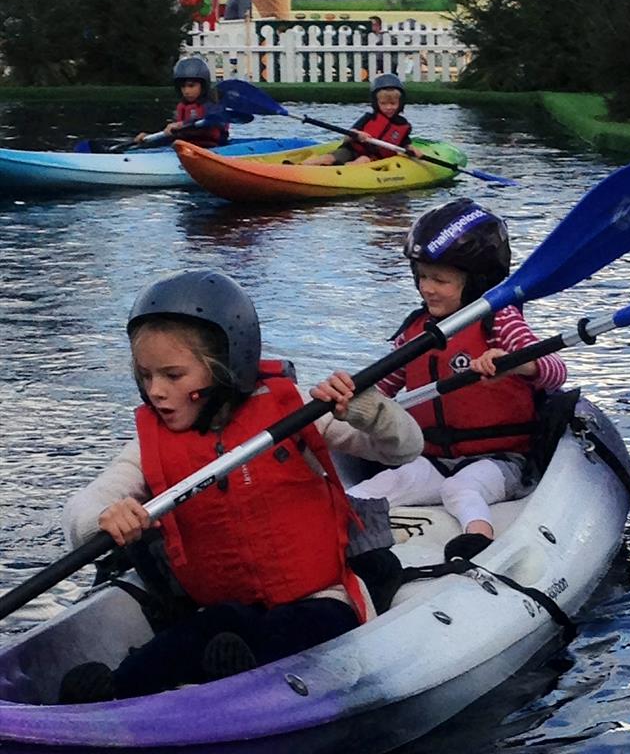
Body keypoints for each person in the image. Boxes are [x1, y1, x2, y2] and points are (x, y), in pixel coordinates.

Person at [58, 269, 423, 704]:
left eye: (173, 376)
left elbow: (404, 448)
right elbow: (89, 501)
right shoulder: (149, 444)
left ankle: (242, 673)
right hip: (224, 607)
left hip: (318, 597)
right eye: (146, 375)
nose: (155, 391)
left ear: (225, 368)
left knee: (305, 625)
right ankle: (116, 688)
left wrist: (369, 412)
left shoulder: (296, 413)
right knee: (198, 633)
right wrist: (102, 517)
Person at [315, 199, 568, 563]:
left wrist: (515, 365)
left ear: (476, 281)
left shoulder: (500, 320)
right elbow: (383, 391)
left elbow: (556, 370)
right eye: (421, 276)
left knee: (461, 488)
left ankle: (478, 541)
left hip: (501, 461)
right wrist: (347, 402)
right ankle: (333, 545)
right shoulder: (416, 333)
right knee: (375, 488)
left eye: (440, 279)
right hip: (430, 458)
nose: (426, 288)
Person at [302, 73, 423, 166]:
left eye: (393, 103)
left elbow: (405, 144)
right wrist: (358, 134)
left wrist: (411, 149)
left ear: (400, 103)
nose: (389, 107)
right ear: (377, 103)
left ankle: (344, 170)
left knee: (363, 160)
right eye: (384, 103)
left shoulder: (403, 125)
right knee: (329, 158)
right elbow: (347, 136)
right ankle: (301, 166)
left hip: (373, 157)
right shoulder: (369, 118)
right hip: (352, 149)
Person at [135, 58, 227, 149]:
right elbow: (172, 134)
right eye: (183, 86)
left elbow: (215, 119)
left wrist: (182, 124)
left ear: (203, 86)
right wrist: (149, 139)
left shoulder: (212, 106)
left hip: (213, 147)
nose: (186, 91)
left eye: (191, 86)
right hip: (188, 148)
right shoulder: (182, 107)